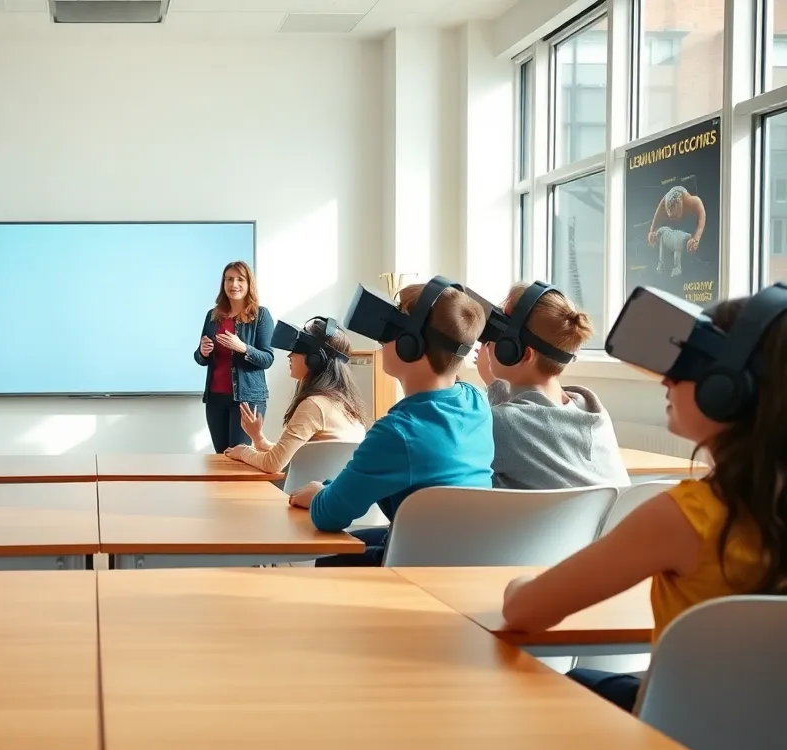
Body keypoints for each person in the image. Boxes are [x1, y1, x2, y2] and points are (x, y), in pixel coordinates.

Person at [502, 287, 787, 713]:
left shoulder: (686, 517)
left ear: (728, 389)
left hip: (683, 737)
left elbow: (526, 611)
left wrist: (517, 585)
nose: (667, 379)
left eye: (690, 366)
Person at [289, 280, 493, 566]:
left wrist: (318, 496)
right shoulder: (477, 402)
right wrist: (328, 489)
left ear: (412, 346)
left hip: (418, 572)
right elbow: (371, 476)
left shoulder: (398, 431)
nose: (381, 339)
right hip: (465, 560)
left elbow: (329, 514)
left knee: (331, 556)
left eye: (391, 332)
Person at [475, 283, 628, 490]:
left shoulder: (500, 425)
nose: (487, 343)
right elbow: (532, 419)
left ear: (520, 353)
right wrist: (493, 383)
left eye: (496, 337)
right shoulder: (590, 410)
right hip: (602, 522)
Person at [224, 318, 367, 474]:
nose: (289, 355)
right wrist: (258, 438)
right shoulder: (343, 404)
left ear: (315, 359)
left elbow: (273, 463)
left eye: (298, 348)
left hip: (305, 495)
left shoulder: (314, 405)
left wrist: (242, 452)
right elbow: (289, 455)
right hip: (328, 495)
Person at [194, 261, 275, 453]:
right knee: (221, 459)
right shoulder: (212, 316)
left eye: (240, 279)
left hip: (248, 400)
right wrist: (202, 352)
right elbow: (200, 358)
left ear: (249, 284)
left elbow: (268, 358)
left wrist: (243, 347)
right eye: (229, 279)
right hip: (215, 400)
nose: (234, 284)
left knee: (240, 457)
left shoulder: (260, 315)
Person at [647, 185, 706, 278]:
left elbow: (702, 215)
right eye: (671, 216)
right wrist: (652, 232)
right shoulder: (665, 200)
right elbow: (656, 219)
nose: (674, 220)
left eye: (674, 217)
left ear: (681, 204)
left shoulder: (691, 201)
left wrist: (696, 238)